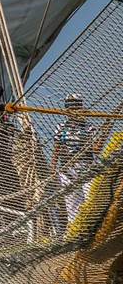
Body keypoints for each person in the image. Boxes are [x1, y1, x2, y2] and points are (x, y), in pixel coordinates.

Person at [51, 93, 99, 226]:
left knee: (91, 197)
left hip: (86, 167)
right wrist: (53, 169)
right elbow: (56, 149)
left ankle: (93, 224)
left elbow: (95, 149)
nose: (72, 110)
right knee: (72, 202)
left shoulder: (88, 127)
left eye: (76, 106)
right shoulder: (61, 127)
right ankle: (76, 227)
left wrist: (105, 129)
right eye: (70, 107)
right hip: (67, 169)